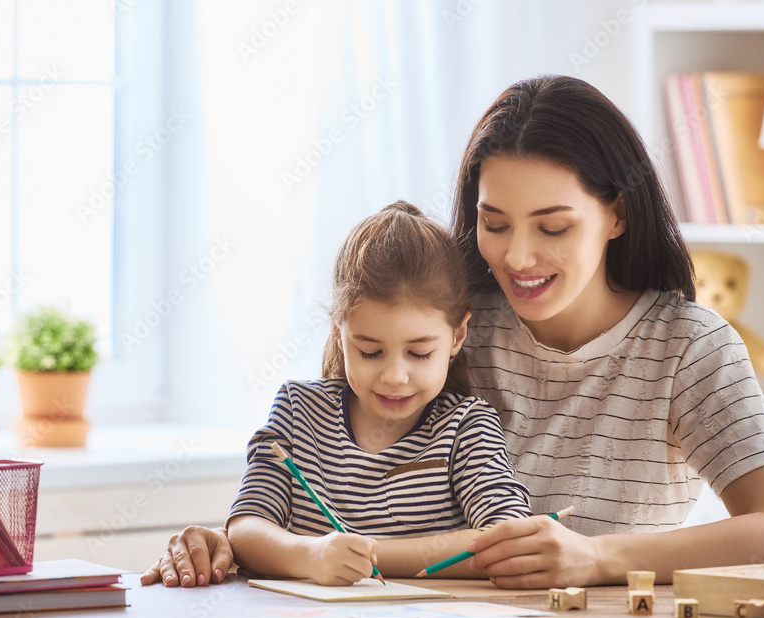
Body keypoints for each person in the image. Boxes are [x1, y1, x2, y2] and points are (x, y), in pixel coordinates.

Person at [141, 75, 764, 590]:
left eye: (553, 227)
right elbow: (338, 477)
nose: (517, 257)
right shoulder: (449, 324)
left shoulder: (688, 347)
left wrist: (600, 556)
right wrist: (242, 544)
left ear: (617, 215)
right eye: (494, 223)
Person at [218, 201, 532, 586]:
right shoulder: (298, 411)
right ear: (338, 333)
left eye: (419, 353)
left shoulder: (466, 426)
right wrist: (310, 556)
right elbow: (247, 529)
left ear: (457, 336)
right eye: (370, 351)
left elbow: (508, 539)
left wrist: (366, 556)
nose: (395, 377)